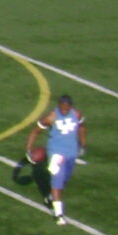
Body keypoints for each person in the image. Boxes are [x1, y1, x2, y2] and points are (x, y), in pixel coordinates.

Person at [28, 94, 87, 225]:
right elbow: (35, 131)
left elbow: (82, 127)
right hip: (56, 154)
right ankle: (58, 214)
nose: (65, 109)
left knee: (64, 180)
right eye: (63, 106)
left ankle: (51, 196)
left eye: (67, 107)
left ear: (71, 106)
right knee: (57, 179)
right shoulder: (51, 117)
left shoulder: (76, 114)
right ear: (59, 105)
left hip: (71, 153)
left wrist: (83, 144)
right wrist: (29, 148)